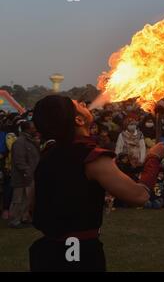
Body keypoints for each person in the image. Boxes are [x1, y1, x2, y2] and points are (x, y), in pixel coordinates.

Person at [30, 95, 149, 272]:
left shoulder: (48, 155)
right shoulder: (92, 158)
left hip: (46, 253)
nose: (84, 103)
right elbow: (140, 196)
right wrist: (153, 158)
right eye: (77, 104)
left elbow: (32, 206)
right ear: (78, 120)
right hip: (79, 255)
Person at [9, 121, 40, 229]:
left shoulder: (30, 141)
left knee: (26, 199)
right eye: (33, 128)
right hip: (22, 176)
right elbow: (19, 161)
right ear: (27, 129)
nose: (35, 129)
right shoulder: (20, 142)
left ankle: (23, 218)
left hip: (29, 175)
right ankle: (14, 220)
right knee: (18, 199)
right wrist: (27, 171)